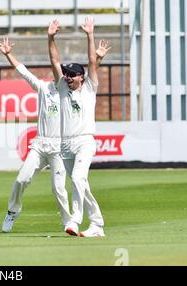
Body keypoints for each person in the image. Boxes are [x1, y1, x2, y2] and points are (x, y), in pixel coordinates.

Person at [0, 37, 71, 233]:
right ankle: (13, 211)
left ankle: (68, 222)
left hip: (58, 148)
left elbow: (55, 61)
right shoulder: (43, 87)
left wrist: (52, 39)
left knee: (58, 189)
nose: (59, 75)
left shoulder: (67, 92)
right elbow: (23, 71)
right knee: (21, 179)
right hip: (39, 145)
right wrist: (8, 54)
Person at [48, 17, 111, 237]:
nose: (67, 77)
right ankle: (97, 224)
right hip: (65, 144)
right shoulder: (62, 88)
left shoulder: (89, 88)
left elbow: (93, 62)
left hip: (85, 140)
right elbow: (54, 60)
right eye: (66, 74)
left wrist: (90, 35)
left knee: (76, 179)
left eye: (72, 75)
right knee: (81, 184)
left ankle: (75, 220)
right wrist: (50, 37)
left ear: (81, 78)